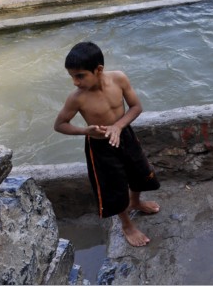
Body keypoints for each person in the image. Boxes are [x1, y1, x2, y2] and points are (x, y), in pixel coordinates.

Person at [54, 41, 160, 247]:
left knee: (139, 171)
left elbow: (136, 107)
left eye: (80, 75)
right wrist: (85, 130)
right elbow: (59, 125)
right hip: (100, 146)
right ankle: (127, 225)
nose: (75, 82)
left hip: (125, 135)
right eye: (72, 77)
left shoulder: (119, 78)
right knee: (114, 187)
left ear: (99, 70)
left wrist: (119, 126)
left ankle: (135, 202)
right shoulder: (77, 98)